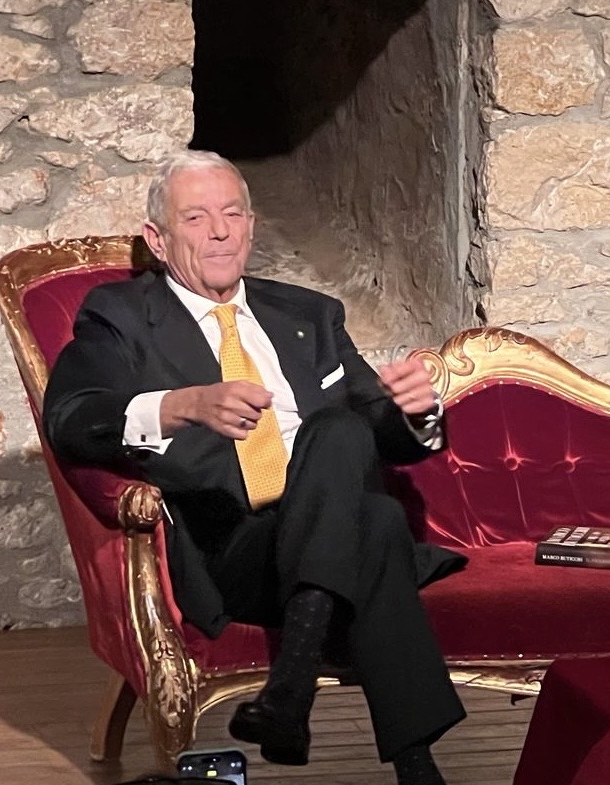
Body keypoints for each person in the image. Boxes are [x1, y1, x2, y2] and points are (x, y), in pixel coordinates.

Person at [43, 150, 468, 785]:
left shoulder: (309, 314)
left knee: (346, 445)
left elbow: (374, 429)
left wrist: (416, 413)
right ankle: (405, 759)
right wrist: (182, 406)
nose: (219, 232)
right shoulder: (121, 316)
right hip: (235, 547)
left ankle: (294, 695)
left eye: (232, 214)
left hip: (324, 525)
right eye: (196, 218)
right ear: (158, 240)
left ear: (251, 226)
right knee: (376, 522)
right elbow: (72, 418)